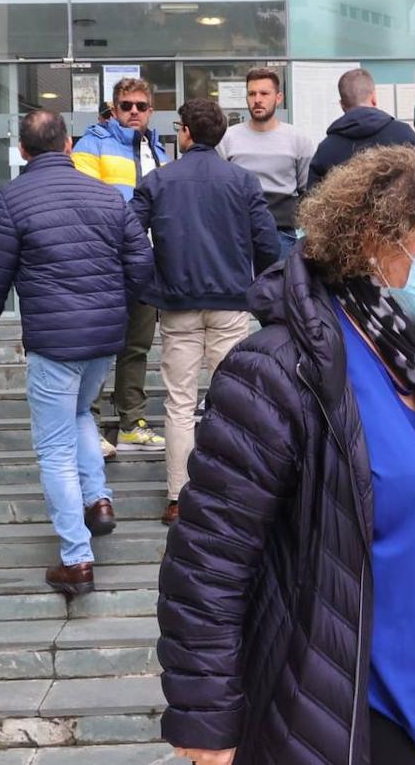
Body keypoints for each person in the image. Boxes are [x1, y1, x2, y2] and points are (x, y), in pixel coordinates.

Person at [157, 143, 415, 765]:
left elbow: (405, 484)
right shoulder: (277, 369)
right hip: (340, 710)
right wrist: (207, 718)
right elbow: (209, 559)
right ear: (375, 241)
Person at [0, 111, 153, 596]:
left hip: (53, 342)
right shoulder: (106, 196)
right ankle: (99, 500)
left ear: (23, 150)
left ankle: (76, 558)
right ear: (68, 144)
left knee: (53, 448)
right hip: (103, 337)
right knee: (80, 416)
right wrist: (119, 308)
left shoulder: (12, 199)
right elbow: (141, 261)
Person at [129, 99, 279, 526]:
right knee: (234, 401)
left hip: (177, 305)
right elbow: (267, 242)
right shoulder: (243, 181)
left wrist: (149, 283)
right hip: (231, 302)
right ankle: (234, 491)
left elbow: (129, 235)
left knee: (179, 403)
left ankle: (178, 497)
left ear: (187, 132)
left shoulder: (159, 180)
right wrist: (261, 286)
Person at [73, 76, 168, 459]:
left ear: (150, 111)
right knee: (98, 345)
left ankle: (131, 422)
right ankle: (89, 424)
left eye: (140, 106)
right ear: (114, 109)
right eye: (126, 106)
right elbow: (81, 202)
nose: (133, 112)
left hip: (145, 262)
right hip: (105, 263)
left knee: (137, 346)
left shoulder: (157, 149)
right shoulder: (92, 143)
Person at [217, 68, 314, 258]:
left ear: (278, 98)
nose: (257, 99)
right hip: (238, 233)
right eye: (252, 94)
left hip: (283, 234)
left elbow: (306, 189)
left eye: (264, 93)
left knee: (282, 287)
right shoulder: (228, 138)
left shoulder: (298, 140)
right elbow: (220, 188)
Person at [307, 67, 415, 190]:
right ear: (374, 98)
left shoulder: (326, 149)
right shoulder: (403, 134)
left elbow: (311, 199)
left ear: (342, 105)